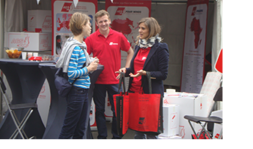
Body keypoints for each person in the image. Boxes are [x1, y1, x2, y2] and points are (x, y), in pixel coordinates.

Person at [116, 17, 169, 140]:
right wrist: (126, 70)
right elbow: (134, 69)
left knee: (150, 131)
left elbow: (163, 74)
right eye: (139, 28)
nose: (139, 31)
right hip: (135, 92)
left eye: (143, 28)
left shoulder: (161, 48)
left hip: (150, 94)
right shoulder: (139, 46)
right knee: (137, 130)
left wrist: (145, 73)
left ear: (151, 30)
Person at [85, 10, 134, 140]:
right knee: (99, 110)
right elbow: (84, 57)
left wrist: (126, 68)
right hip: (98, 80)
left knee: (117, 111)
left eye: (105, 20)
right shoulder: (91, 38)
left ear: (110, 21)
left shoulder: (118, 36)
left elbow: (130, 52)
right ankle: (102, 137)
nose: (104, 24)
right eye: (100, 22)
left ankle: (116, 137)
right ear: (96, 23)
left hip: (115, 80)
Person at [56, 12, 99, 140]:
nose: (91, 26)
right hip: (77, 92)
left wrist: (90, 61)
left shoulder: (80, 46)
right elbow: (71, 74)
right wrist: (89, 68)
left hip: (82, 92)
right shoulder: (75, 48)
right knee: (69, 129)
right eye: (88, 24)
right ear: (81, 25)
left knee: (80, 130)